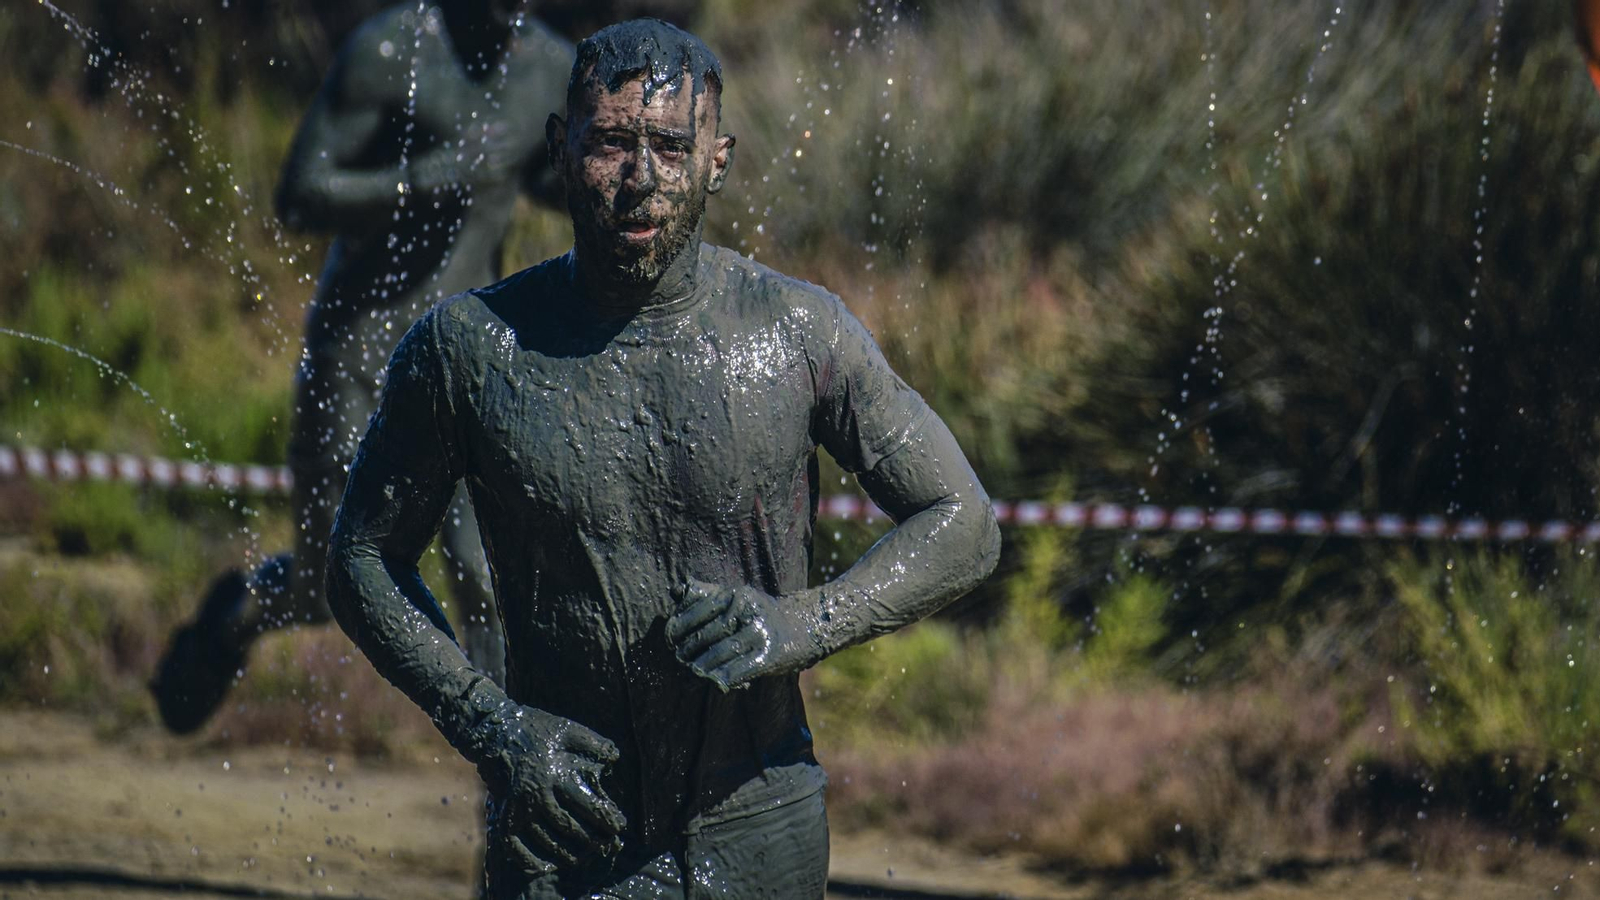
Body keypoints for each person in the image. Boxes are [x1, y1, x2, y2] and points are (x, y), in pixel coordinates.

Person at [325, 18, 1001, 898]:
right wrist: (492, 728)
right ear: (559, 149)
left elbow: (966, 526)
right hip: (565, 823)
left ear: (717, 159)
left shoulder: (798, 332)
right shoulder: (471, 348)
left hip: (758, 819)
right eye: (610, 143)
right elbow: (362, 558)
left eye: (670, 148)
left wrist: (803, 624)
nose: (641, 181)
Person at [151, 0, 575, 733]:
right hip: (360, 356)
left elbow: (551, 180)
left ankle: (512, 816)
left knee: (487, 583)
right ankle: (236, 615)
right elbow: (300, 194)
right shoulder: (391, 52)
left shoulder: (553, 69)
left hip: (466, 361)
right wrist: (425, 178)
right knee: (333, 587)